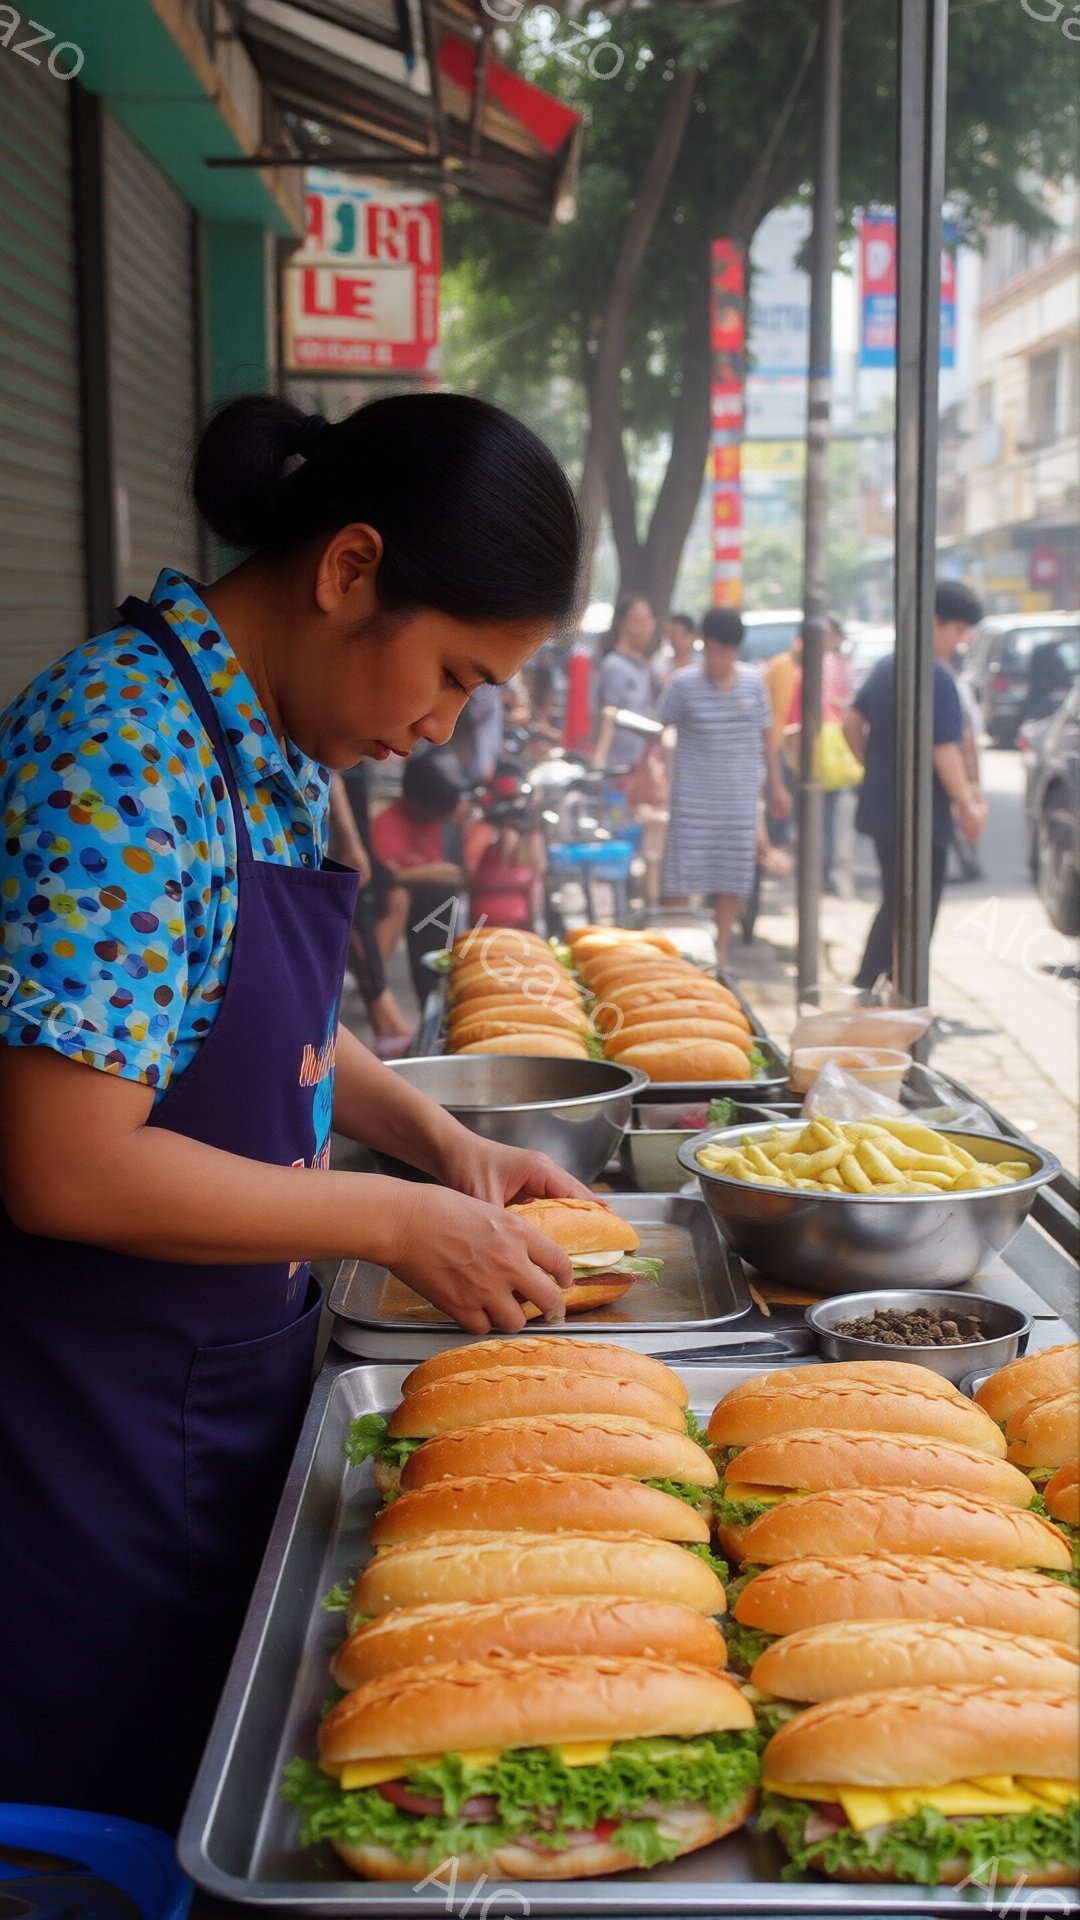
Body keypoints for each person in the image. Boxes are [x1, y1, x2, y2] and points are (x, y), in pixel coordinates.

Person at [0, 389, 591, 1832]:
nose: (440, 726)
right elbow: (64, 1164)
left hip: (220, 1397)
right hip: (90, 1448)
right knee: (112, 1827)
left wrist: (433, 1139)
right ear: (348, 570)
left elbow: (229, 1011)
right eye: (449, 674)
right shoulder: (123, 754)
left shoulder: (259, 744)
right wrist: (393, 1215)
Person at [845, 579, 987, 990]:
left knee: (896, 904)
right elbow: (944, 748)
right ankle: (887, 990)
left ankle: (874, 989)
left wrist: (873, 765)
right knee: (915, 912)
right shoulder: (935, 676)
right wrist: (968, 804)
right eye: (957, 631)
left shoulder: (889, 665)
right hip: (920, 817)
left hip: (884, 811)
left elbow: (852, 722)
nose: (960, 642)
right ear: (935, 623)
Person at [659, 608, 792, 966]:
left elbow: (767, 738)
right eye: (713, 650)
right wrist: (648, 772)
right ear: (704, 645)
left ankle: (720, 954)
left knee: (731, 877)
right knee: (681, 877)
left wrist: (776, 786)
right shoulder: (683, 683)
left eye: (725, 652)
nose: (717, 658)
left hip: (738, 798)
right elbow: (658, 730)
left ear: (735, 650)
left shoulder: (753, 682)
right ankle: (675, 954)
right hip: (693, 800)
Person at [328, 770, 411, 1044]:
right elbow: (328, 769)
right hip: (338, 828)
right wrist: (350, 841)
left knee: (388, 897)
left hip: (352, 823)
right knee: (351, 900)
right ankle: (382, 1015)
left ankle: (378, 1004)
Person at [369, 750, 468, 963]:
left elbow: (458, 873)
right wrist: (417, 875)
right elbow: (384, 878)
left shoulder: (448, 822)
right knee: (399, 897)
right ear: (415, 800)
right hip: (404, 909)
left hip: (438, 913)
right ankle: (373, 982)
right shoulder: (386, 828)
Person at [786, 613, 858, 890]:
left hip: (818, 745)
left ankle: (819, 870)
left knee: (818, 815)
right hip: (826, 743)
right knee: (823, 814)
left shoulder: (817, 665)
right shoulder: (832, 663)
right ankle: (821, 870)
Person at [591, 595, 658, 771]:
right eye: (638, 621)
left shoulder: (644, 666)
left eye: (648, 620)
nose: (645, 627)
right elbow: (608, 715)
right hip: (616, 766)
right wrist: (599, 763)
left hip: (639, 764)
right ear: (622, 623)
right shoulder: (614, 665)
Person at [656, 610, 699, 682]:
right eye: (674, 635)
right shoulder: (660, 664)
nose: (677, 640)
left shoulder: (699, 669)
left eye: (682, 635)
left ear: (693, 636)